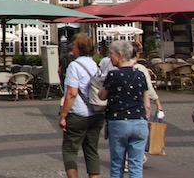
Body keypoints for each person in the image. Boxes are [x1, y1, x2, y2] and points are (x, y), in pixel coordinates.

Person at [98, 39, 150, 178]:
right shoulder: (140, 75)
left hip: (119, 121)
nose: (110, 57)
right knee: (136, 165)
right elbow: (147, 102)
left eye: (111, 54)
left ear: (120, 55)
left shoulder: (114, 75)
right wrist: (146, 119)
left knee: (117, 164)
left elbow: (102, 96)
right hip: (139, 121)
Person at [58, 33, 104, 178]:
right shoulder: (95, 65)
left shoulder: (74, 65)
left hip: (78, 113)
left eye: (74, 45)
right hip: (96, 113)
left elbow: (72, 93)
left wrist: (63, 115)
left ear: (79, 48)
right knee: (91, 150)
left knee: (70, 150)